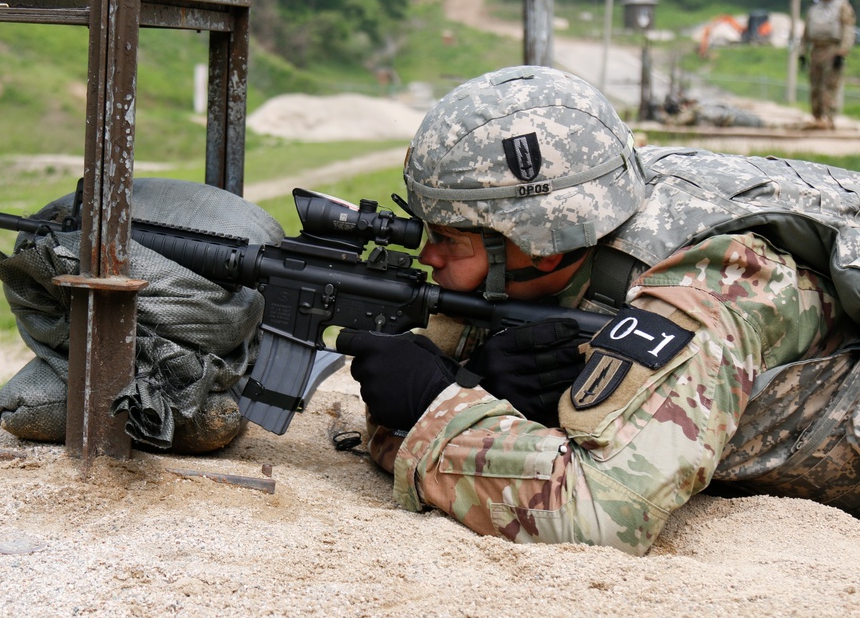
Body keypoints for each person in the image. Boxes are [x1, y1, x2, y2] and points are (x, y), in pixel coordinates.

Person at [336, 65, 860, 555]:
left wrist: (439, 407)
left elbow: (601, 513)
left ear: (543, 244)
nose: (428, 256)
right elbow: (411, 387)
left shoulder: (708, 286)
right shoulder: (584, 207)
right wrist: (476, 384)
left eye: (450, 239)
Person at [800, 0, 856, 129]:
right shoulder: (814, 8)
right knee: (815, 85)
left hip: (832, 49)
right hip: (816, 50)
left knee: (829, 86)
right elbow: (806, 32)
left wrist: (842, 52)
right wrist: (802, 52)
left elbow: (847, 31)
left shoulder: (842, 7)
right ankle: (816, 117)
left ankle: (829, 118)